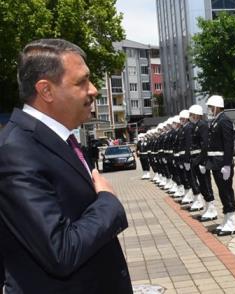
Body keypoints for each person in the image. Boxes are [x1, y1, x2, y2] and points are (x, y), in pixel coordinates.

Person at [0, 39, 132, 293]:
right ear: (46, 91)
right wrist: (108, 202)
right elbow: (61, 250)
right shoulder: (15, 151)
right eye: (81, 82)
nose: (93, 90)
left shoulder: (62, 140)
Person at [205, 95, 235, 236]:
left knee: (226, 191)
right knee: (222, 192)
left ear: (217, 106)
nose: (210, 110)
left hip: (222, 163)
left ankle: (232, 223)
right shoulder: (217, 121)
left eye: (211, 107)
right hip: (216, 163)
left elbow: (228, 144)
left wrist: (227, 164)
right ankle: (227, 219)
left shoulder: (224, 121)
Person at [188, 104, 217, 221]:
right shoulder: (196, 126)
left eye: (191, 114)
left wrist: (202, 161)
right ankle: (208, 207)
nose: (190, 116)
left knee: (206, 184)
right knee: (202, 185)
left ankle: (212, 209)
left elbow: (205, 145)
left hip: (202, 160)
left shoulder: (202, 125)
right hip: (197, 159)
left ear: (196, 115)